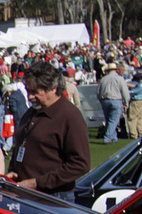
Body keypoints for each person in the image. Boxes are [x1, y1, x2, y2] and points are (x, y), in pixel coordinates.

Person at [7, 60, 91, 201]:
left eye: (35, 92)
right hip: (25, 195)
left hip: (53, 199)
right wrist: (13, 171)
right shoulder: (32, 112)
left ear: (53, 88)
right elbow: (21, 146)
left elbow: (80, 164)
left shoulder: (69, 116)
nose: (30, 97)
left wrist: (36, 182)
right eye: (28, 91)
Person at [97, 63, 129, 144]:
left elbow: (98, 92)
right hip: (116, 99)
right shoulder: (120, 79)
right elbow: (125, 91)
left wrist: (101, 100)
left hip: (105, 100)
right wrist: (126, 101)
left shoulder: (103, 79)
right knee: (114, 120)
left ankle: (113, 137)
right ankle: (107, 138)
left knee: (109, 120)